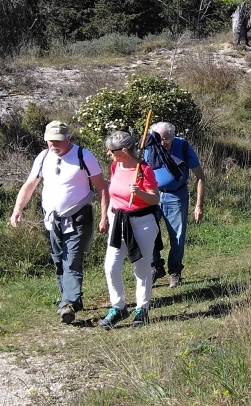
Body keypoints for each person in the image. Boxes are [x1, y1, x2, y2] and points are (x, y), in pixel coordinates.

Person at [10, 120, 105, 324]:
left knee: (71, 259)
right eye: (50, 141)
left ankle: (69, 303)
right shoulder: (43, 157)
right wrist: (18, 209)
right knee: (58, 259)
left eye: (59, 140)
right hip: (52, 219)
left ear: (69, 138)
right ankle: (68, 301)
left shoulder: (84, 156)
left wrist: (105, 215)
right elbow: (30, 185)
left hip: (79, 216)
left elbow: (101, 187)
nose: (54, 144)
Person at [98, 128, 161, 329]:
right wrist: (108, 215)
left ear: (124, 151)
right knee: (111, 267)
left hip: (142, 223)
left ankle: (142, 308)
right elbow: (113, 193)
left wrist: (140, 192)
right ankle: (118, 307)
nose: (109, 153)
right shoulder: (115, 166)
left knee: (141, 268)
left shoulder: (144, 169)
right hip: (119, 222)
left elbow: (155, 198)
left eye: (112, 151)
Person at [143, 120, 205, 288]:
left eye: (167, 138)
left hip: (177, 196)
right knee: (147, 232)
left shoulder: (182, 146)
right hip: (153, 196)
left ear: (173, 135)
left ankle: (175, 272)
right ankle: (156, 266)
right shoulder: (150, 147)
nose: (163, 142)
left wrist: (198, 205)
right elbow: (142, 172)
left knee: (177, 236)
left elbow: (200, 177)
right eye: (160, 138)